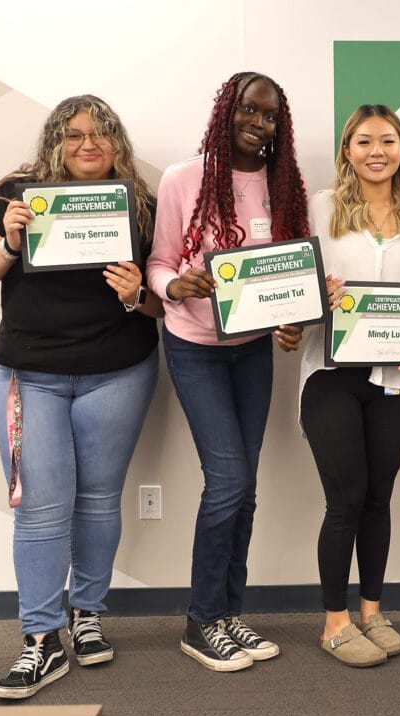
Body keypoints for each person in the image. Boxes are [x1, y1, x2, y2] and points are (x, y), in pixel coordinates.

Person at [0, 95, 161, 699]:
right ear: (55, 141)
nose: (87, 145)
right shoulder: (18, 193)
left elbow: (160, 302)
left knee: (98, 500)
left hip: (118, 372)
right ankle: (40, 640)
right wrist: (8, 245)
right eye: (73, 136)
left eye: (99, 135)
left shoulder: (138, 202)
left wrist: (134, 293)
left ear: (117, 142)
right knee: (40, 509)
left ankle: (87, 615)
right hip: (30, 375)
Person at [146, 71, 309, 672]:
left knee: (247, 487)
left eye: (269, 116)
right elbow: (159, 262)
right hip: (194, 346)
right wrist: (174, 283)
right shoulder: (184, 178)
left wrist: (291, 322)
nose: (258, 123)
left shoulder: (284, 183)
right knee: (228, 482)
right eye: (248, 110)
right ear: (226, 110)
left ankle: (225, 614)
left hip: (252, 350)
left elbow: (290, 272)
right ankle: (199, 620)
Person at [300, 105, 400, 667]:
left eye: (387, 141)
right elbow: (290, 288)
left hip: (393, 380)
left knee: (379, 497)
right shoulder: (319, 208)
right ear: (346, 151)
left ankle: (372, 611)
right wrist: (317, 296)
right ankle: (335, 622)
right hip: (330, 375)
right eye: (363, 142)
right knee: (346, 498)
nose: (376, 151)